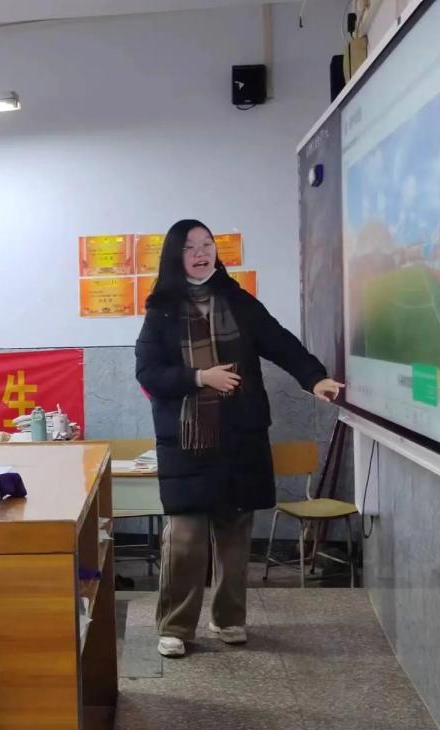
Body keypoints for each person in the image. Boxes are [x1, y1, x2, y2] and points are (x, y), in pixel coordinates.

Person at [135, 219, 343, 659]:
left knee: (234, 535)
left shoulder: (238, 300)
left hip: (239, 436)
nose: (201, 253)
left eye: (207, 244)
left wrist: (315, 378)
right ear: (175, 256)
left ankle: (228, 618)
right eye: (190, 247)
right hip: (187, 441)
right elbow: (148, 372)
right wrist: (200, 377)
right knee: (186, 537)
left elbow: (280, 343)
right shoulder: (162, 311)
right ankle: (175, 626)